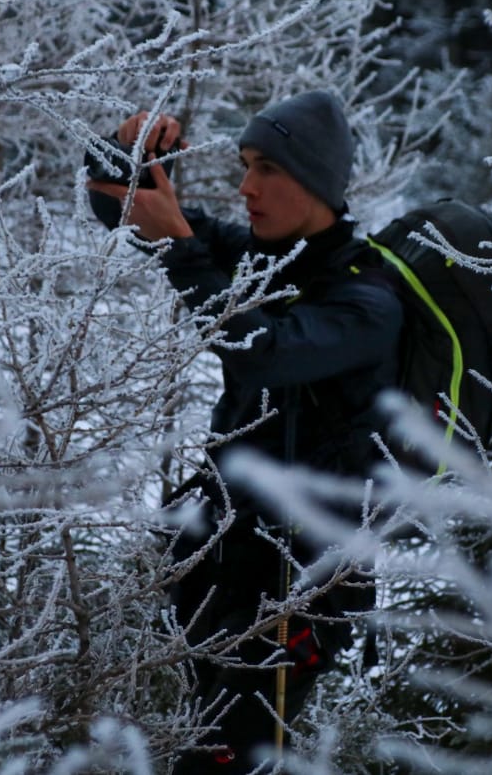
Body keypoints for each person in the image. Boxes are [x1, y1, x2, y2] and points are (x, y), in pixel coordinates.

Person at [85, 90, 401, 772]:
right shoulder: (262, 256)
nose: (244, 186)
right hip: (224, 558)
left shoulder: (367, 299)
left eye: (266, 169)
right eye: (245, 165)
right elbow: (115, 204)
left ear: (314, 181)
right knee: (203, 743)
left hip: (302, 581)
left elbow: (265, 348)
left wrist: (183, 246)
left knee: (235, 757)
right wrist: (125, 147)